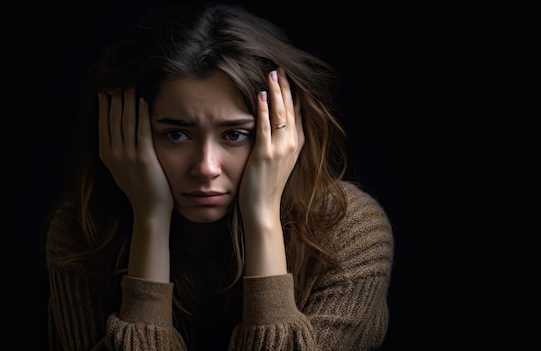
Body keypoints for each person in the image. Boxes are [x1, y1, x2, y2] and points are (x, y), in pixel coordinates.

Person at [43, 2, 394, 350]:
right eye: (177, 134)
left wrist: (263, 214)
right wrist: (150, 219)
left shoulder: (349, 232)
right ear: (125, 133)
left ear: (282, 134)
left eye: (235, 135)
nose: (206, 167)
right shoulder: (82, 232)